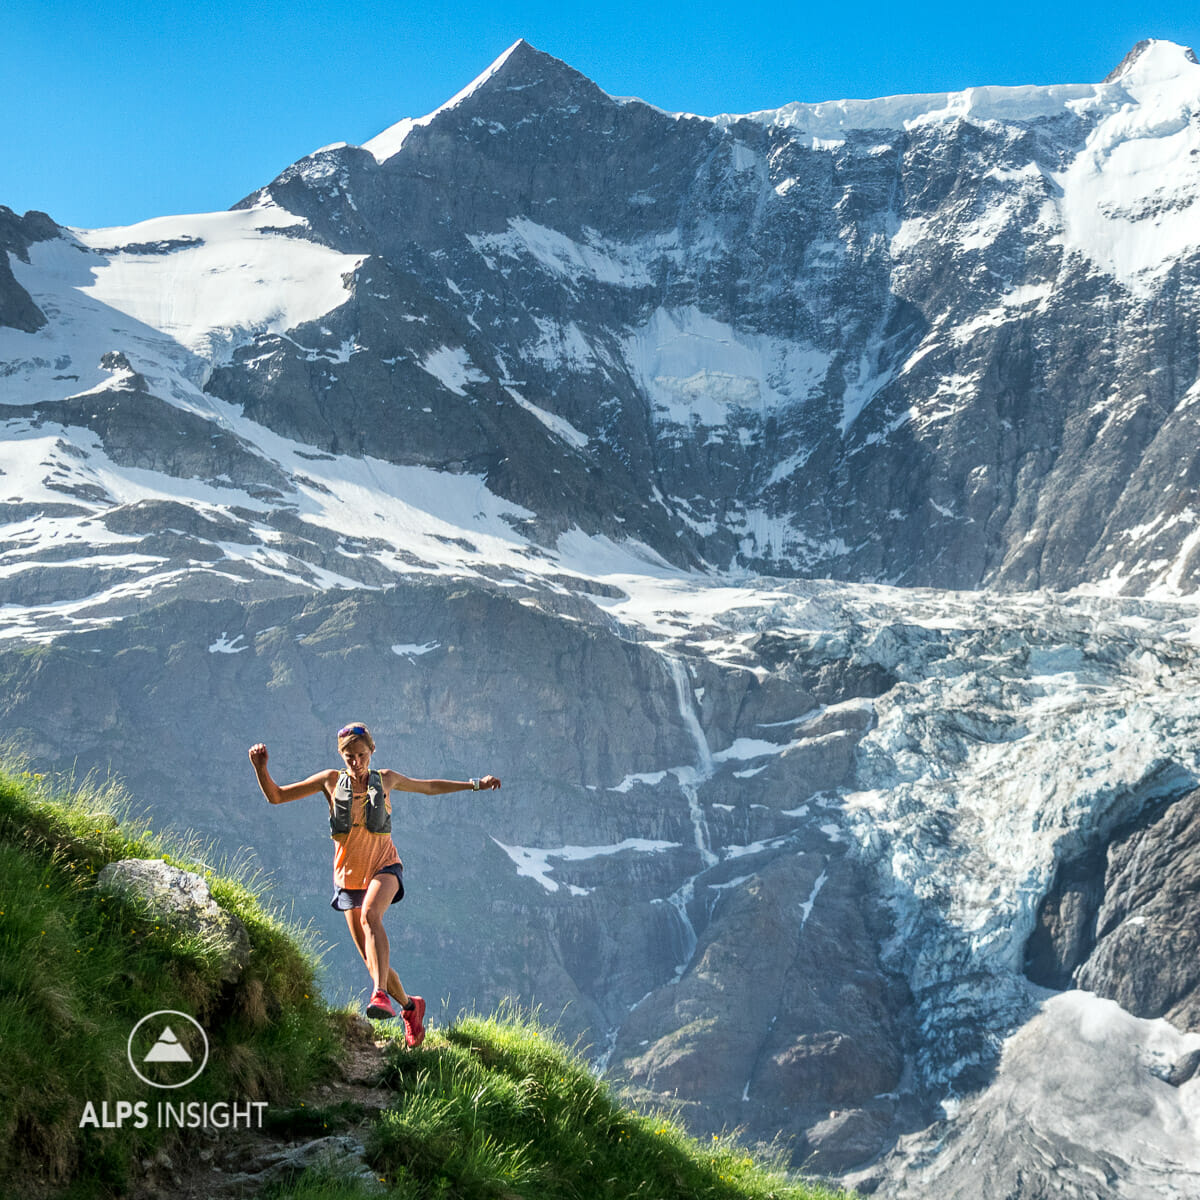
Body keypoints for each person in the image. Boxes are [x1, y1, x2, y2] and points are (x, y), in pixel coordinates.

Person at [248, 721, 500, 1047]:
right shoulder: (329, 781)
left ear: (372, 751)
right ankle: (411, 1007)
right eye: (349, 756)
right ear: (341, 756)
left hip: (385, 867)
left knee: (371, 917)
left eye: (362, 754)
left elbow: (430, 787)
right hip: (348, 881)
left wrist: (475, 784)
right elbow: (277, 797)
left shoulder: (387, 780)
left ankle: (380, 995)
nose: (356, 761)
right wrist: (260, 768)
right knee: (373, 963)